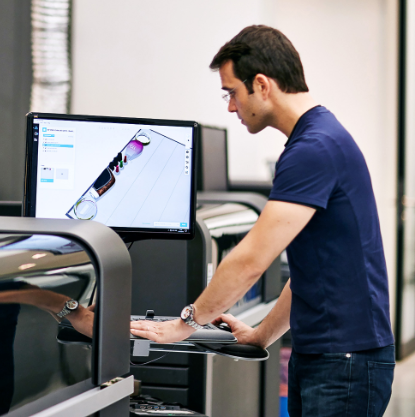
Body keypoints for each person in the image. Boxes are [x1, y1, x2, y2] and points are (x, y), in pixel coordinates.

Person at [130, 25, 395, 417]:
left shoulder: (314, 148)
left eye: (231, 92)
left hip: (344, 362)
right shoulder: (315, 140)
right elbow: (311, 270)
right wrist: (261, 335)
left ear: (261, 84)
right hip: (329, 355)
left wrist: (184, 324)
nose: (230, 106)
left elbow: (251, 260)